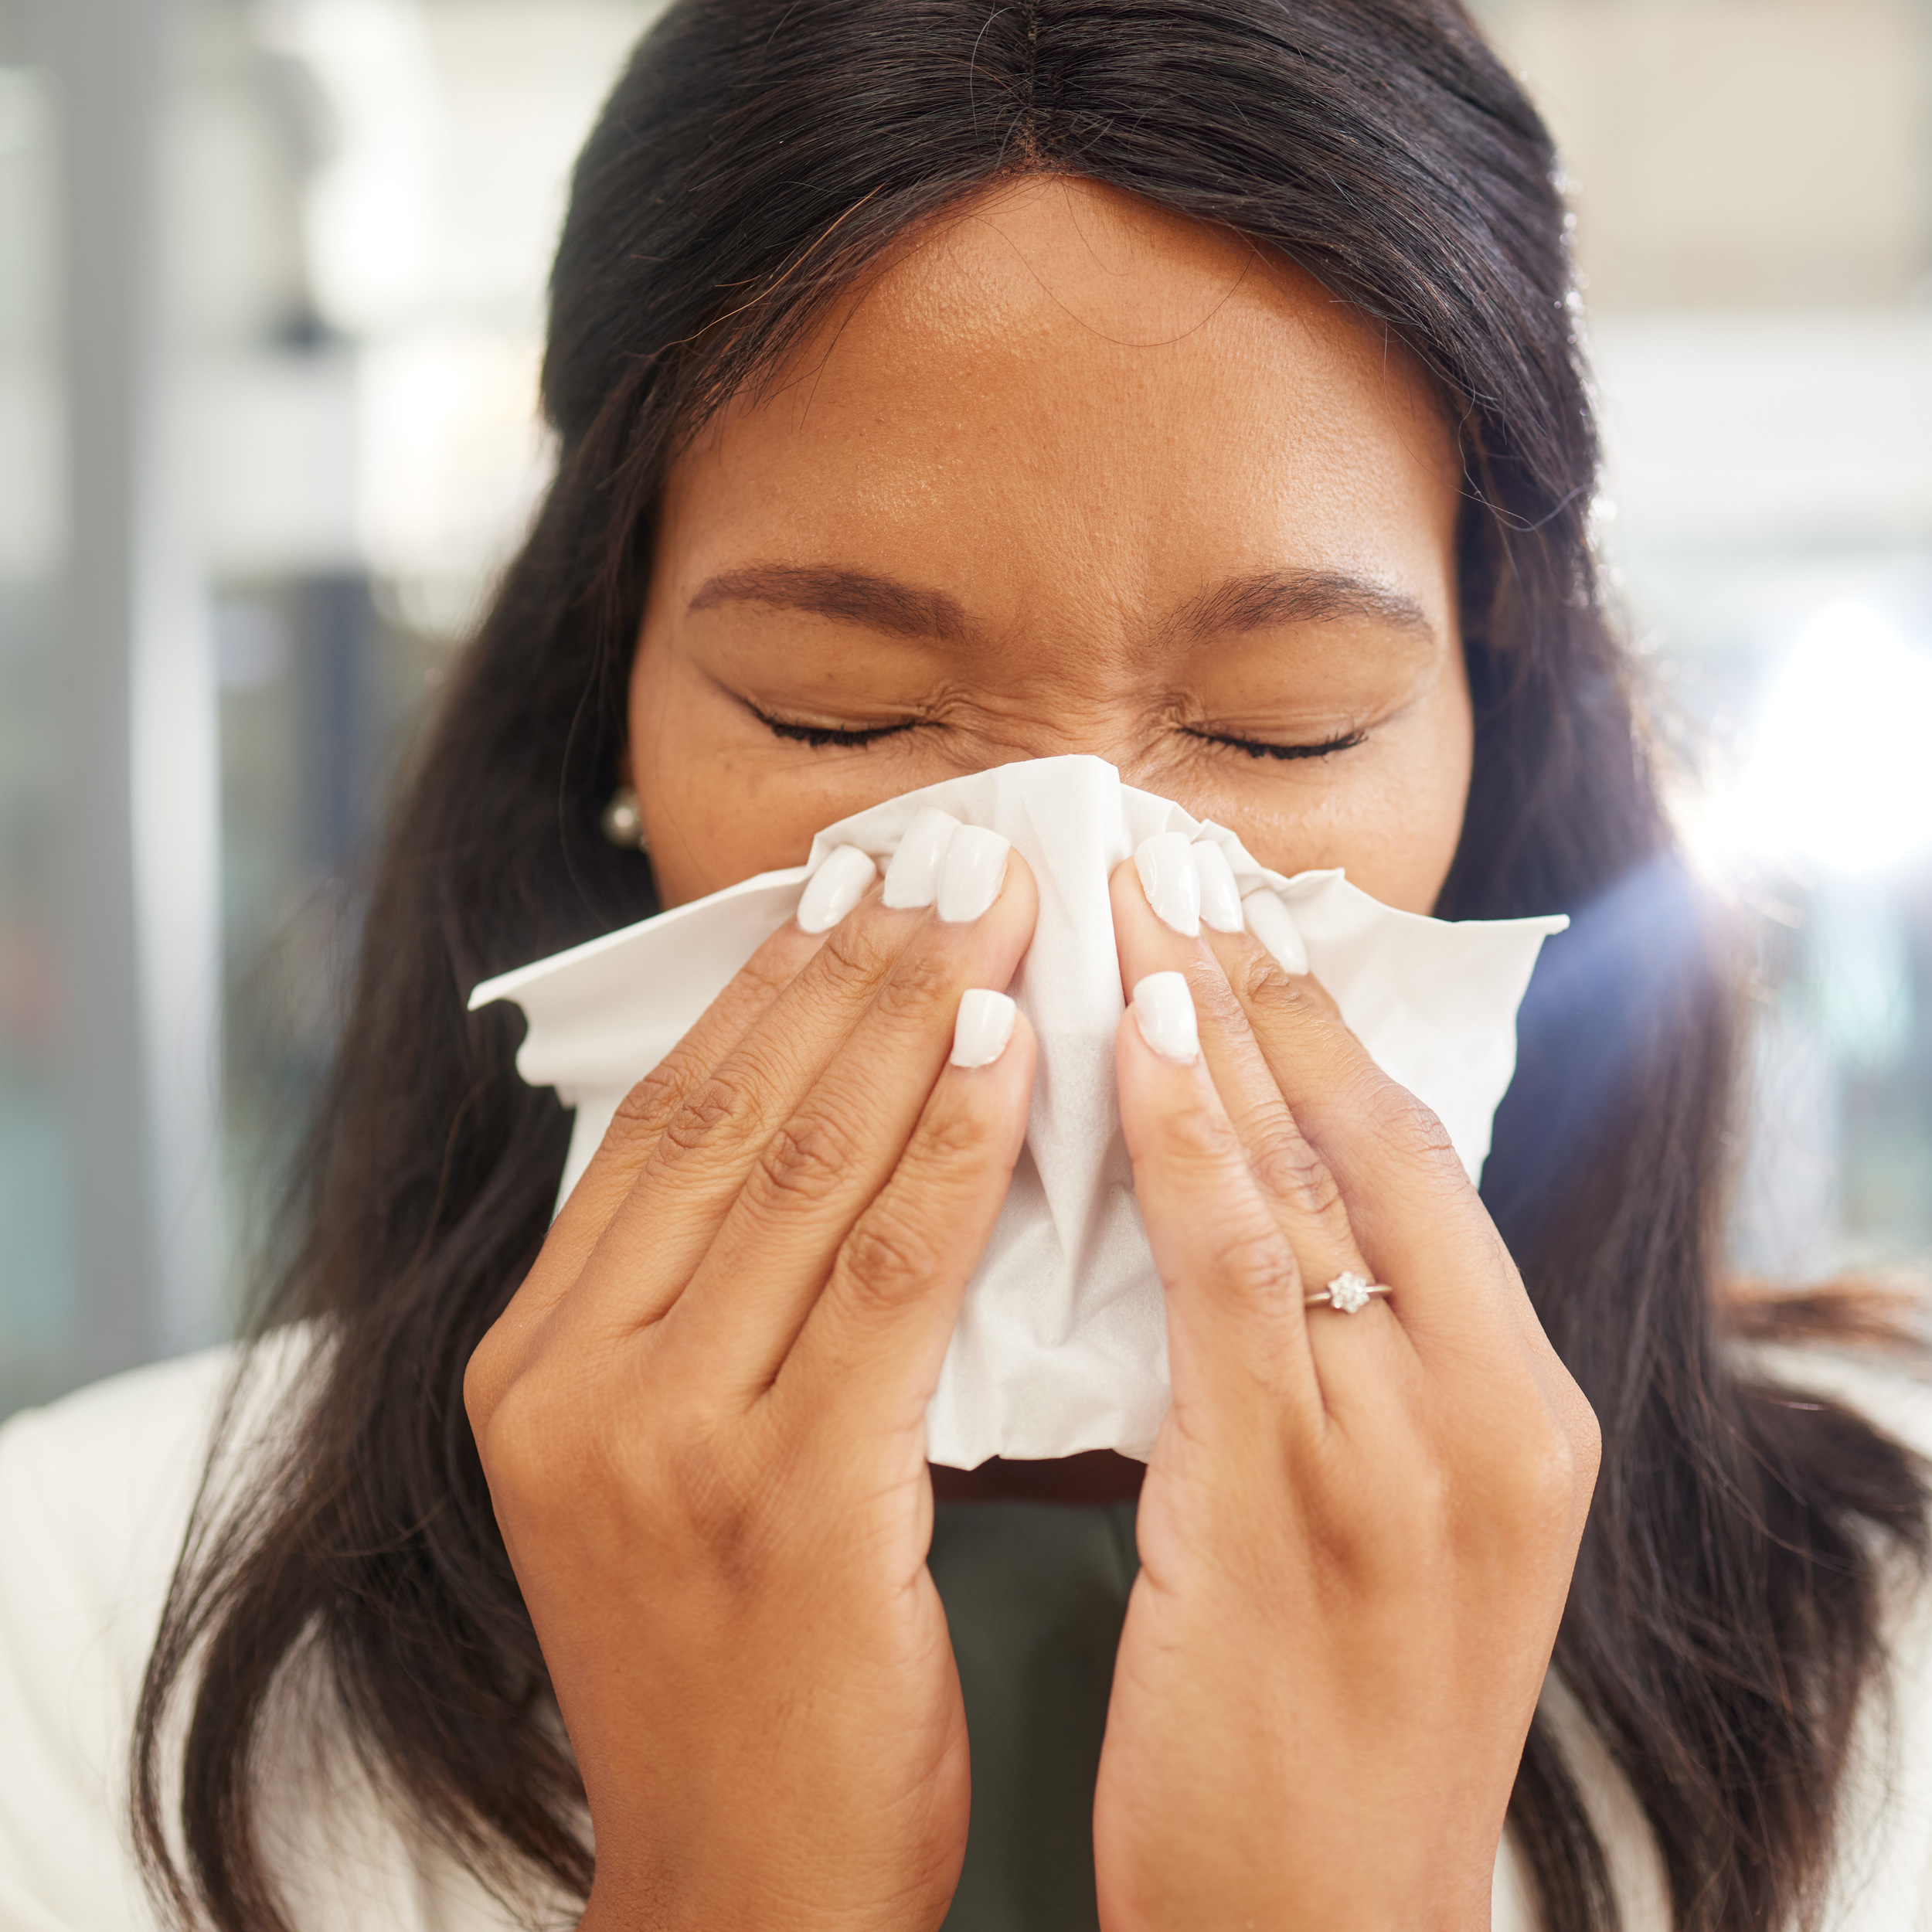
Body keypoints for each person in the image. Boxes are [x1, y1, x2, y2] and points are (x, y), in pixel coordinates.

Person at [4, 2, 1930, 1928]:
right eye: (836, 716)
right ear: (611, 716)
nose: (1070, 916)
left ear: (1495, 750)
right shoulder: (70, 1624)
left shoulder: (1893, 1653)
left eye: (1282, 728)